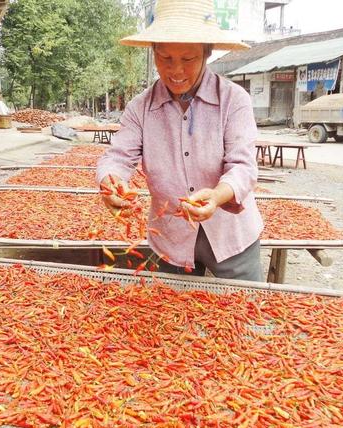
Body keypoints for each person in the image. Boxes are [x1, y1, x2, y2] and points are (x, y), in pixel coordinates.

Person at [96, 0, 263, 282]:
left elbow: (244, 167)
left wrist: (218, 195)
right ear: (154, 53)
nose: (175, 70)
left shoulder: (233, 100)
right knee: (172, 318)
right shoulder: (140, 108)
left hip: (231, 234)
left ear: (206, 53)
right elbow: (117, 157)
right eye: (165, 58)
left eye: (188, 59)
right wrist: (110, 182)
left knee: (243, 310)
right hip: (170, 237)